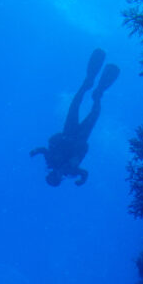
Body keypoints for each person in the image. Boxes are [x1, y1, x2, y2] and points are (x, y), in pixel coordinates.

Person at [31, 48, 120, 187]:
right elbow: (84, 173)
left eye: (52, 175)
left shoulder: (51, 161)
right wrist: (81, 179)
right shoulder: (71, 171)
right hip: (81, 137)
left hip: (68, 132)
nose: (56, 174)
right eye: (56, 178)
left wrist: (35, 151)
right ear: (60, 179)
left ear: (50, 173)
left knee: (75, 105)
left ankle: (88, 82)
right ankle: (99, 92)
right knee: (94, 113)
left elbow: (44, 149)